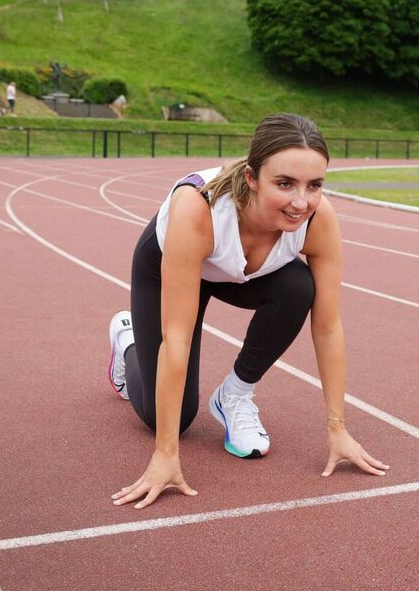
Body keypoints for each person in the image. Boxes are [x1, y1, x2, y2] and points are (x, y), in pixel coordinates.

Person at [108, 112, 388, 509]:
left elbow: (327, 328)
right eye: (285, 183)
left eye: (315, 185)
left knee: (297, 286)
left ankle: (235, 395)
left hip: (240, 271)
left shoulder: (317, 218)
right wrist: (165, 454)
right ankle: (128, 340)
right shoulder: (198, 208)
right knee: (167, 418)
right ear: (252, 178)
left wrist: (337, 429)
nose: (300, 202)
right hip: (173, 263)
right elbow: (178, 337)